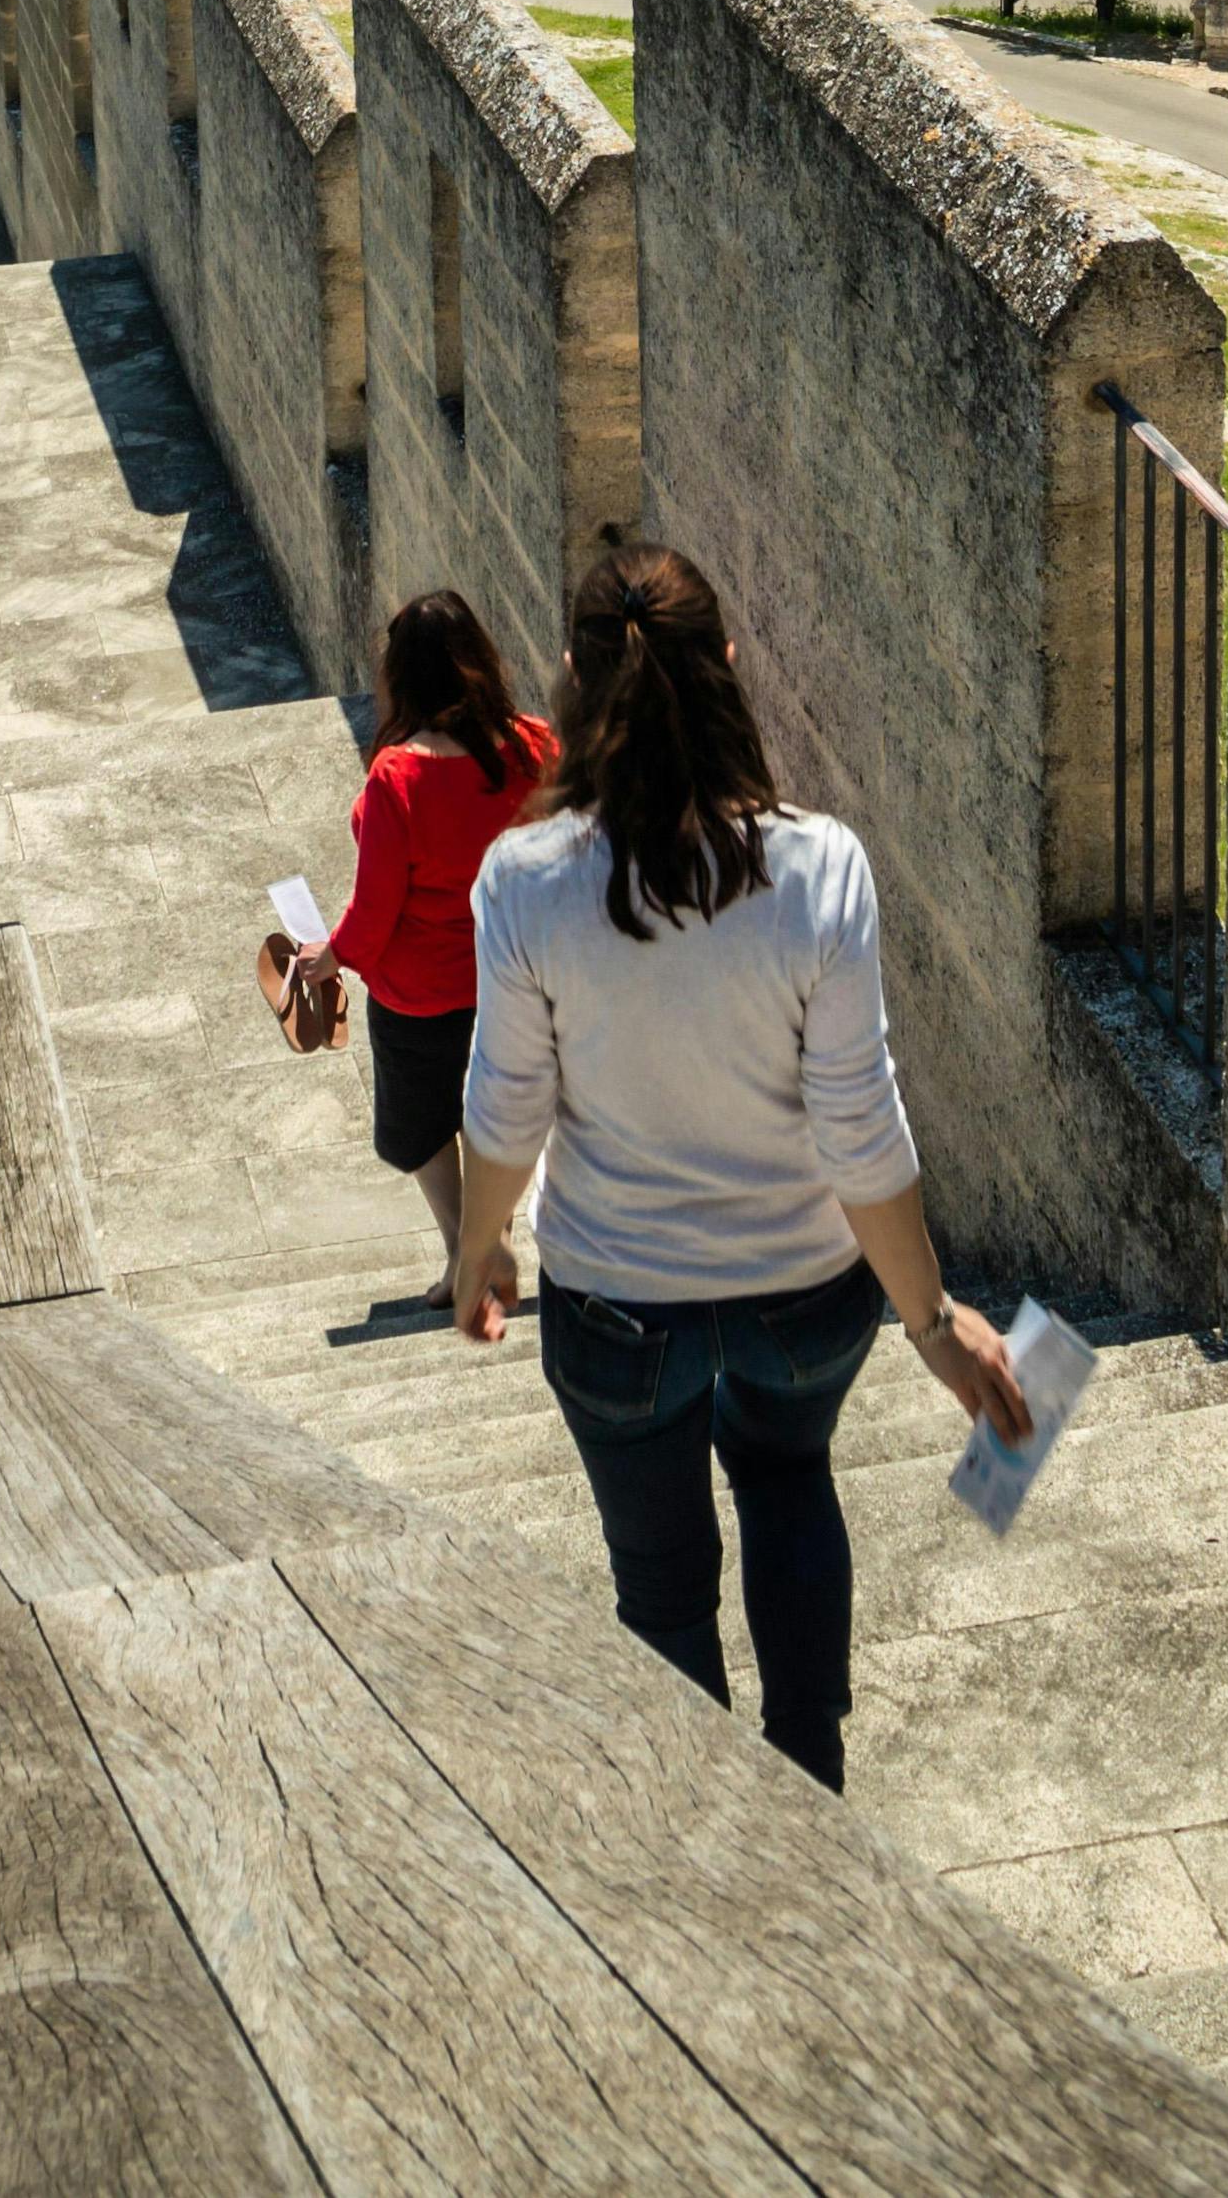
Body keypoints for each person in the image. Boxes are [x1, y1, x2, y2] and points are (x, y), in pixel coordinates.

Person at [441, 542, 1034, 1791]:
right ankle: (808, 1774)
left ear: (568, 684)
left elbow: (505, 1111)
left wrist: (480, 1244)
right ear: (725, 667)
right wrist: (931, 1323)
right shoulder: (818, 868)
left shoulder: (526, 882)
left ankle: (711, 1833)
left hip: (615, 1307)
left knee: (658, 1595)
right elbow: (859, 1130)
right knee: (788, 1481)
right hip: (802, 1301)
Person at [257, 588, 553, 1263]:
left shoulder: (398, 778)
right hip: (514, 976)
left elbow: (377, 904)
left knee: (419, 1127)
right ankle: (485, 1239)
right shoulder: (533, 745)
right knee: (494, 1117)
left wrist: (330, 956)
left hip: (420, 992)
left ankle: (465, 1249)